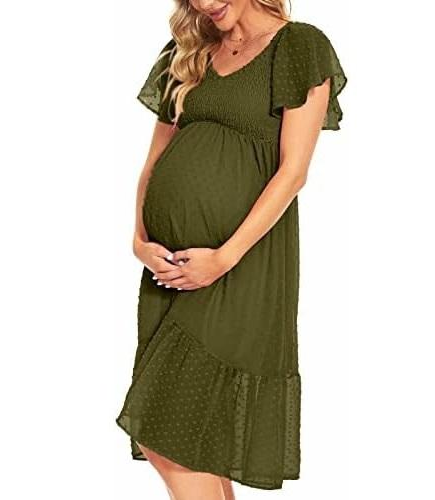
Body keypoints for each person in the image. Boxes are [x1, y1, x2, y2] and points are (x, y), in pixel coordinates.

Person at [115, 0, 347, 498]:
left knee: (168, 435)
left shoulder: (297, 46)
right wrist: (140, 240)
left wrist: (224, 258)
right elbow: (156, 157)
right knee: (192, 436)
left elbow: (293, 172)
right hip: (168, 271)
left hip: (240, 265)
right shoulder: (188, 51)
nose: (204, 3)